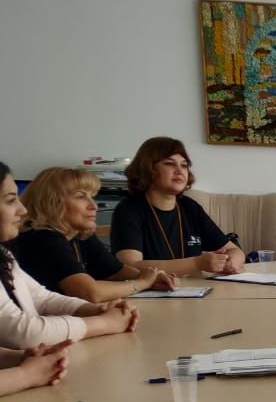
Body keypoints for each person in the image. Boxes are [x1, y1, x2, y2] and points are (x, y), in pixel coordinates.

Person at [0, 161, 138, 349]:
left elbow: (42, 299)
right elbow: (22, 332)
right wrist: (106, 322)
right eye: (10, 200)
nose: (22, 209)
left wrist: (97, 310)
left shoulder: (3, 253)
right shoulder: (42, 239)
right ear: (52, 201)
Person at [11, 167, 179, 301]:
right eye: (80, 197)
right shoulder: (42, 239)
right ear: (51, 202)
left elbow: (116, 272)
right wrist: (142, 282)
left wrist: (155, 277)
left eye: (92, 197)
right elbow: (90, 293)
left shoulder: (79, 235)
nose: (94, 206)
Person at [110, 137, 246, 275]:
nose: (179, 171)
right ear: (148, 169)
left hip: (194, 287)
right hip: (150, 288)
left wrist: (231, 262)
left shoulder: (189, 206)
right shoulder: (129, 209)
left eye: (184, 165)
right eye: (169, 164)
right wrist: (197, 263)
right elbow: (130, 266)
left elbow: (234, 250)